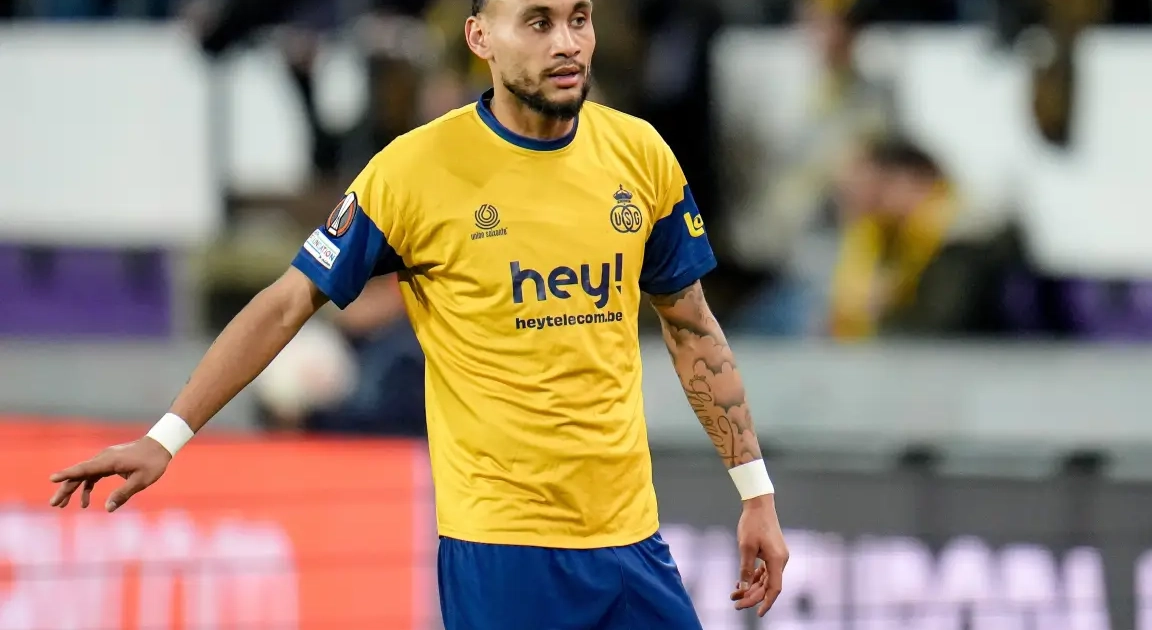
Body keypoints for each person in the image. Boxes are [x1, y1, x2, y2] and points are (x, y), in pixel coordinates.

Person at [47, 0, 790, 628]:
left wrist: (755, 491)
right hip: (503, 551)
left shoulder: (640, 155)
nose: (567, 43)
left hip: (633, 541)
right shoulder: (413, 172)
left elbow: (692, 327)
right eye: (538, 23)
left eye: (579, 19)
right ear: (479, 38)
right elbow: (286, 302)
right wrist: (167, 436)